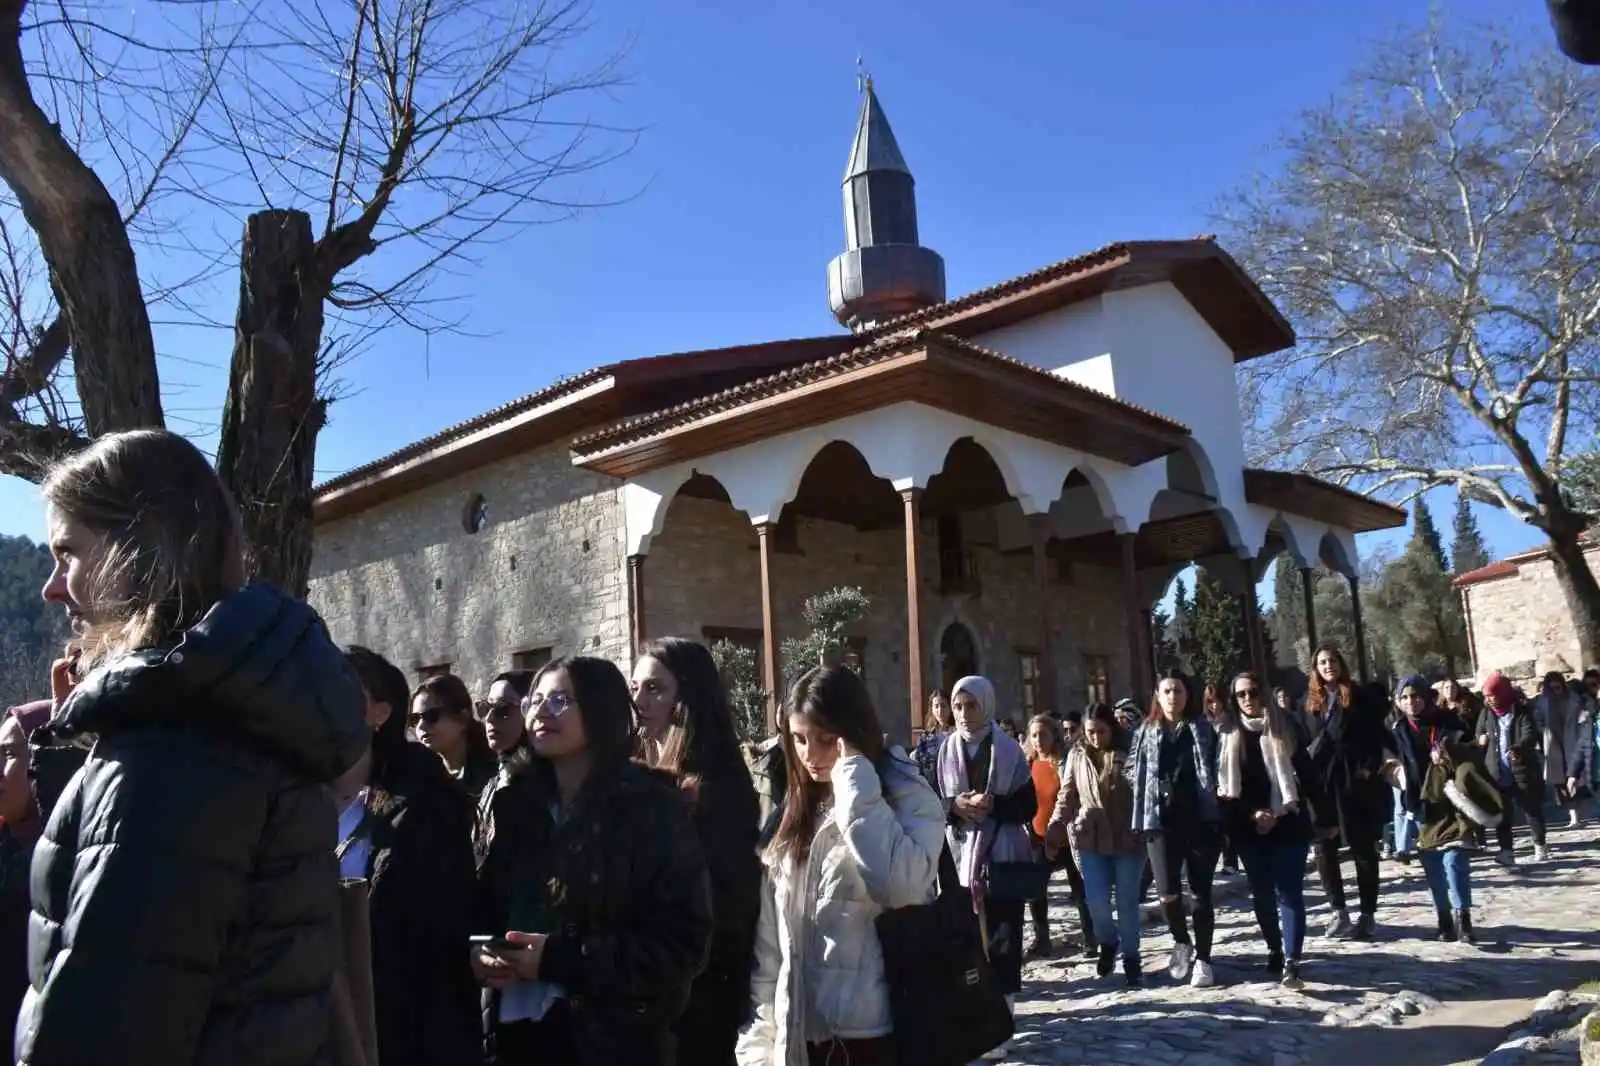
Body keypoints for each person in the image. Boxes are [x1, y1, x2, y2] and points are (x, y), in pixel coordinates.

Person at [19, 428, 369, 1066]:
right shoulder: (224, 718)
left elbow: (111, 1026)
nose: (52, 587)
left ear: (136, 544)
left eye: (66, 552)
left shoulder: (174, 747)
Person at [474, 656, 712, 1065]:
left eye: (561, 700)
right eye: (536, 700)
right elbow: (482, 907)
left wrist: (558, 959)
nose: (542, 712)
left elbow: (682, 945)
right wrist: (479, 951)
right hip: (511, 1035)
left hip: (610, 1041)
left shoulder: (650, 808)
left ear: (601, 710)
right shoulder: (509, 804)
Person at [738, 665, 943, 1066]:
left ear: (852, 733)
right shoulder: (791, 813)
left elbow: (899, 886)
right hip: (797, 1036)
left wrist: (855, 785)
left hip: (871, 1035)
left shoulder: (905, 795)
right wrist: (759, 1046)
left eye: (825, 739)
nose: (810, 754)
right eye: (798, 739)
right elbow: (771, 949)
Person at [339, 646, 481, 1066]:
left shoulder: (425, 804)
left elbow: (445, 940)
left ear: (379, 713)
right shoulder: (280, 797)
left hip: (399, 1030)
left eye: (343, 689)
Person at [632, 638, 763, 1066]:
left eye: (654, 688)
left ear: (687, 694)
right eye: (636, 688)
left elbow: (726, 900)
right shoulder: (656, 762)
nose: (639, 701)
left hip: (702, 985)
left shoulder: (714, 781)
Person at [937, 675, 1037, 1023]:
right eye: (957, 706)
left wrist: (993, 806)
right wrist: (955, 806)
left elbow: (1028, 807)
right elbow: (928, 805)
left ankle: (1004, 1015)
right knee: (967, 939)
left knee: (1004, 936)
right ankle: (977, 1015)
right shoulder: (943, 751)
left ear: (987, 705)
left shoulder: (1009, 750)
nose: (964, 714)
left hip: (1001, 855)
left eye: (971, 706)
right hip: (960, 857)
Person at [1218, 671, 1318, 989]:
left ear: (1264, 693)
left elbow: (1307, 774)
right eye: (1241, 695)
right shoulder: (1228, 735)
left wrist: (1320, 817)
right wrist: (1253, 814)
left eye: (1253, 692)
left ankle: (1292, 961)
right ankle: (1275, 948)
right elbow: (1225, 790)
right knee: (1262, 894)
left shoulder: (1287, 725)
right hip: (1249, 827)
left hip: (1288, 820)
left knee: (1289, 892)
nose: (1248, 699)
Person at [1131, 668, 1222, 987]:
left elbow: (1216, 769)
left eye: (1178, 691)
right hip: (1159, 822)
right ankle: (1181, 940)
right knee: (1167, 893)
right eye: (1167, 691)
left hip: (1199, 819)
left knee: (1200, 894)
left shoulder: (1202, 729)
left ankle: (1205, 960)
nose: (1172, 697)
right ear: (1157, 695)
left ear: (1188, 695)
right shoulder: (1145, 732)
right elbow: (1135, 772)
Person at [1390, 675, 1497, 945]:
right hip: (1423, 806)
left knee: (1454, 862)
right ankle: (1444, 919)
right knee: (1433, 867)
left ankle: (1464, 918)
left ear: (1426, 696)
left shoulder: (1448, 722)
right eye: (1404, 697)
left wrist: (1449, 751)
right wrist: (1396, 775)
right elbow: (1389, 763)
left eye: (1415, 696)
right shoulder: (1398, 730)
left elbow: (1472, 751)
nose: (1411, 702)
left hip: (1452, 802)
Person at [1045, 702, 1146, 987]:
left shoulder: (1130, 751)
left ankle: (1132, 959)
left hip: (1128, 838)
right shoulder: (1077, 755)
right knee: (1097, 902)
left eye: (1101, 731)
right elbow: (1067, 794)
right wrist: (1056, 824)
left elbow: (1144, 790)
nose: (1096, 737)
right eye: (1090, 732)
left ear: (1111, 728)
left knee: (1127, 902)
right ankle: (1108, 941)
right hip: (1092, 838)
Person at [1303, 644, 1393, 940]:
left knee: (1363, 847)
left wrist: (1368, 769)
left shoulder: (1359, 696)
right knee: (1324, 847)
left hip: (1354, 782)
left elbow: (1375, 736)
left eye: (1332, 661)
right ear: (1315, 669)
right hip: (1322, 783)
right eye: (1322, 662)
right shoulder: (1310, 702)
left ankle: (1367, 913)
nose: (1328, 666)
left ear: (1341, 663)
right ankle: (1338, 910)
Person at [1477, 671, 1549, 865]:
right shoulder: (1486, 713)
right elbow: (1479, 734)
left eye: (1493, 694)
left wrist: (1519, 748)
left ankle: (1540, 845)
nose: (1490, 699)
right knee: (1503, 814)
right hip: (1497, 771)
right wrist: (1481, 739)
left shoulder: (1521, 711)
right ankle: (1507, 851)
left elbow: (1530, 734)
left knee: (1531, 810)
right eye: (1487, 696)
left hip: (1521, 770)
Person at [1023, 713, 1073, 959]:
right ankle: (1042, 939)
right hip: (1037, 836)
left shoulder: (1064, 763)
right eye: (1033, 735)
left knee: (1080, 889)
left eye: (1043, 734)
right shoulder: (1027, 765)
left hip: (1067, 836)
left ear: (1054, 735)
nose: (1038, 740)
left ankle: (1092, 935)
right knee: (1036, 891)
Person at [411, 673, 497, 798]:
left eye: (431, 715)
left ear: (462, 718)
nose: (420, 726)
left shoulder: (493, 777)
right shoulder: (418, 779)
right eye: (415, 719)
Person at [1534, 671, 1591, 829]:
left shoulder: (1574, 699)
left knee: (1578, 778)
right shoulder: (1542, 702)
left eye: (1558, 687)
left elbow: (1584, 714)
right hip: (1555, 745)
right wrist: (1543, 732)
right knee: (1561, 783)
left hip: (1574, 742)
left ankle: (1581, 815)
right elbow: (1537, 720)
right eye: (1551, 688)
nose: (1555, 691)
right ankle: (1573, 816)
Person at [912, 689, 953, 787]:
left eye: (943, 706)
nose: (940, 710)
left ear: (950, 708)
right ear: (932, 709)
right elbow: (919, 766)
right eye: (936, 706)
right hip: (932, 786)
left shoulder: (958, 735)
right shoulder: (925, 738)